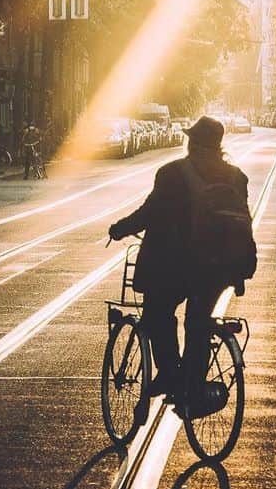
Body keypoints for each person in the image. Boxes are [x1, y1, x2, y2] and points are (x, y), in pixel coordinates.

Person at [107, 115, 256, 411]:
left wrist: (119, 228)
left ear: (191, 142)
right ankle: (194, 389)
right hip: (223, 267)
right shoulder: (237, 176)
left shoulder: (173, 173)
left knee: (156, 314)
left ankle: (171, 374)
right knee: (198, 324)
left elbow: (150, 212)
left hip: (177, 265)